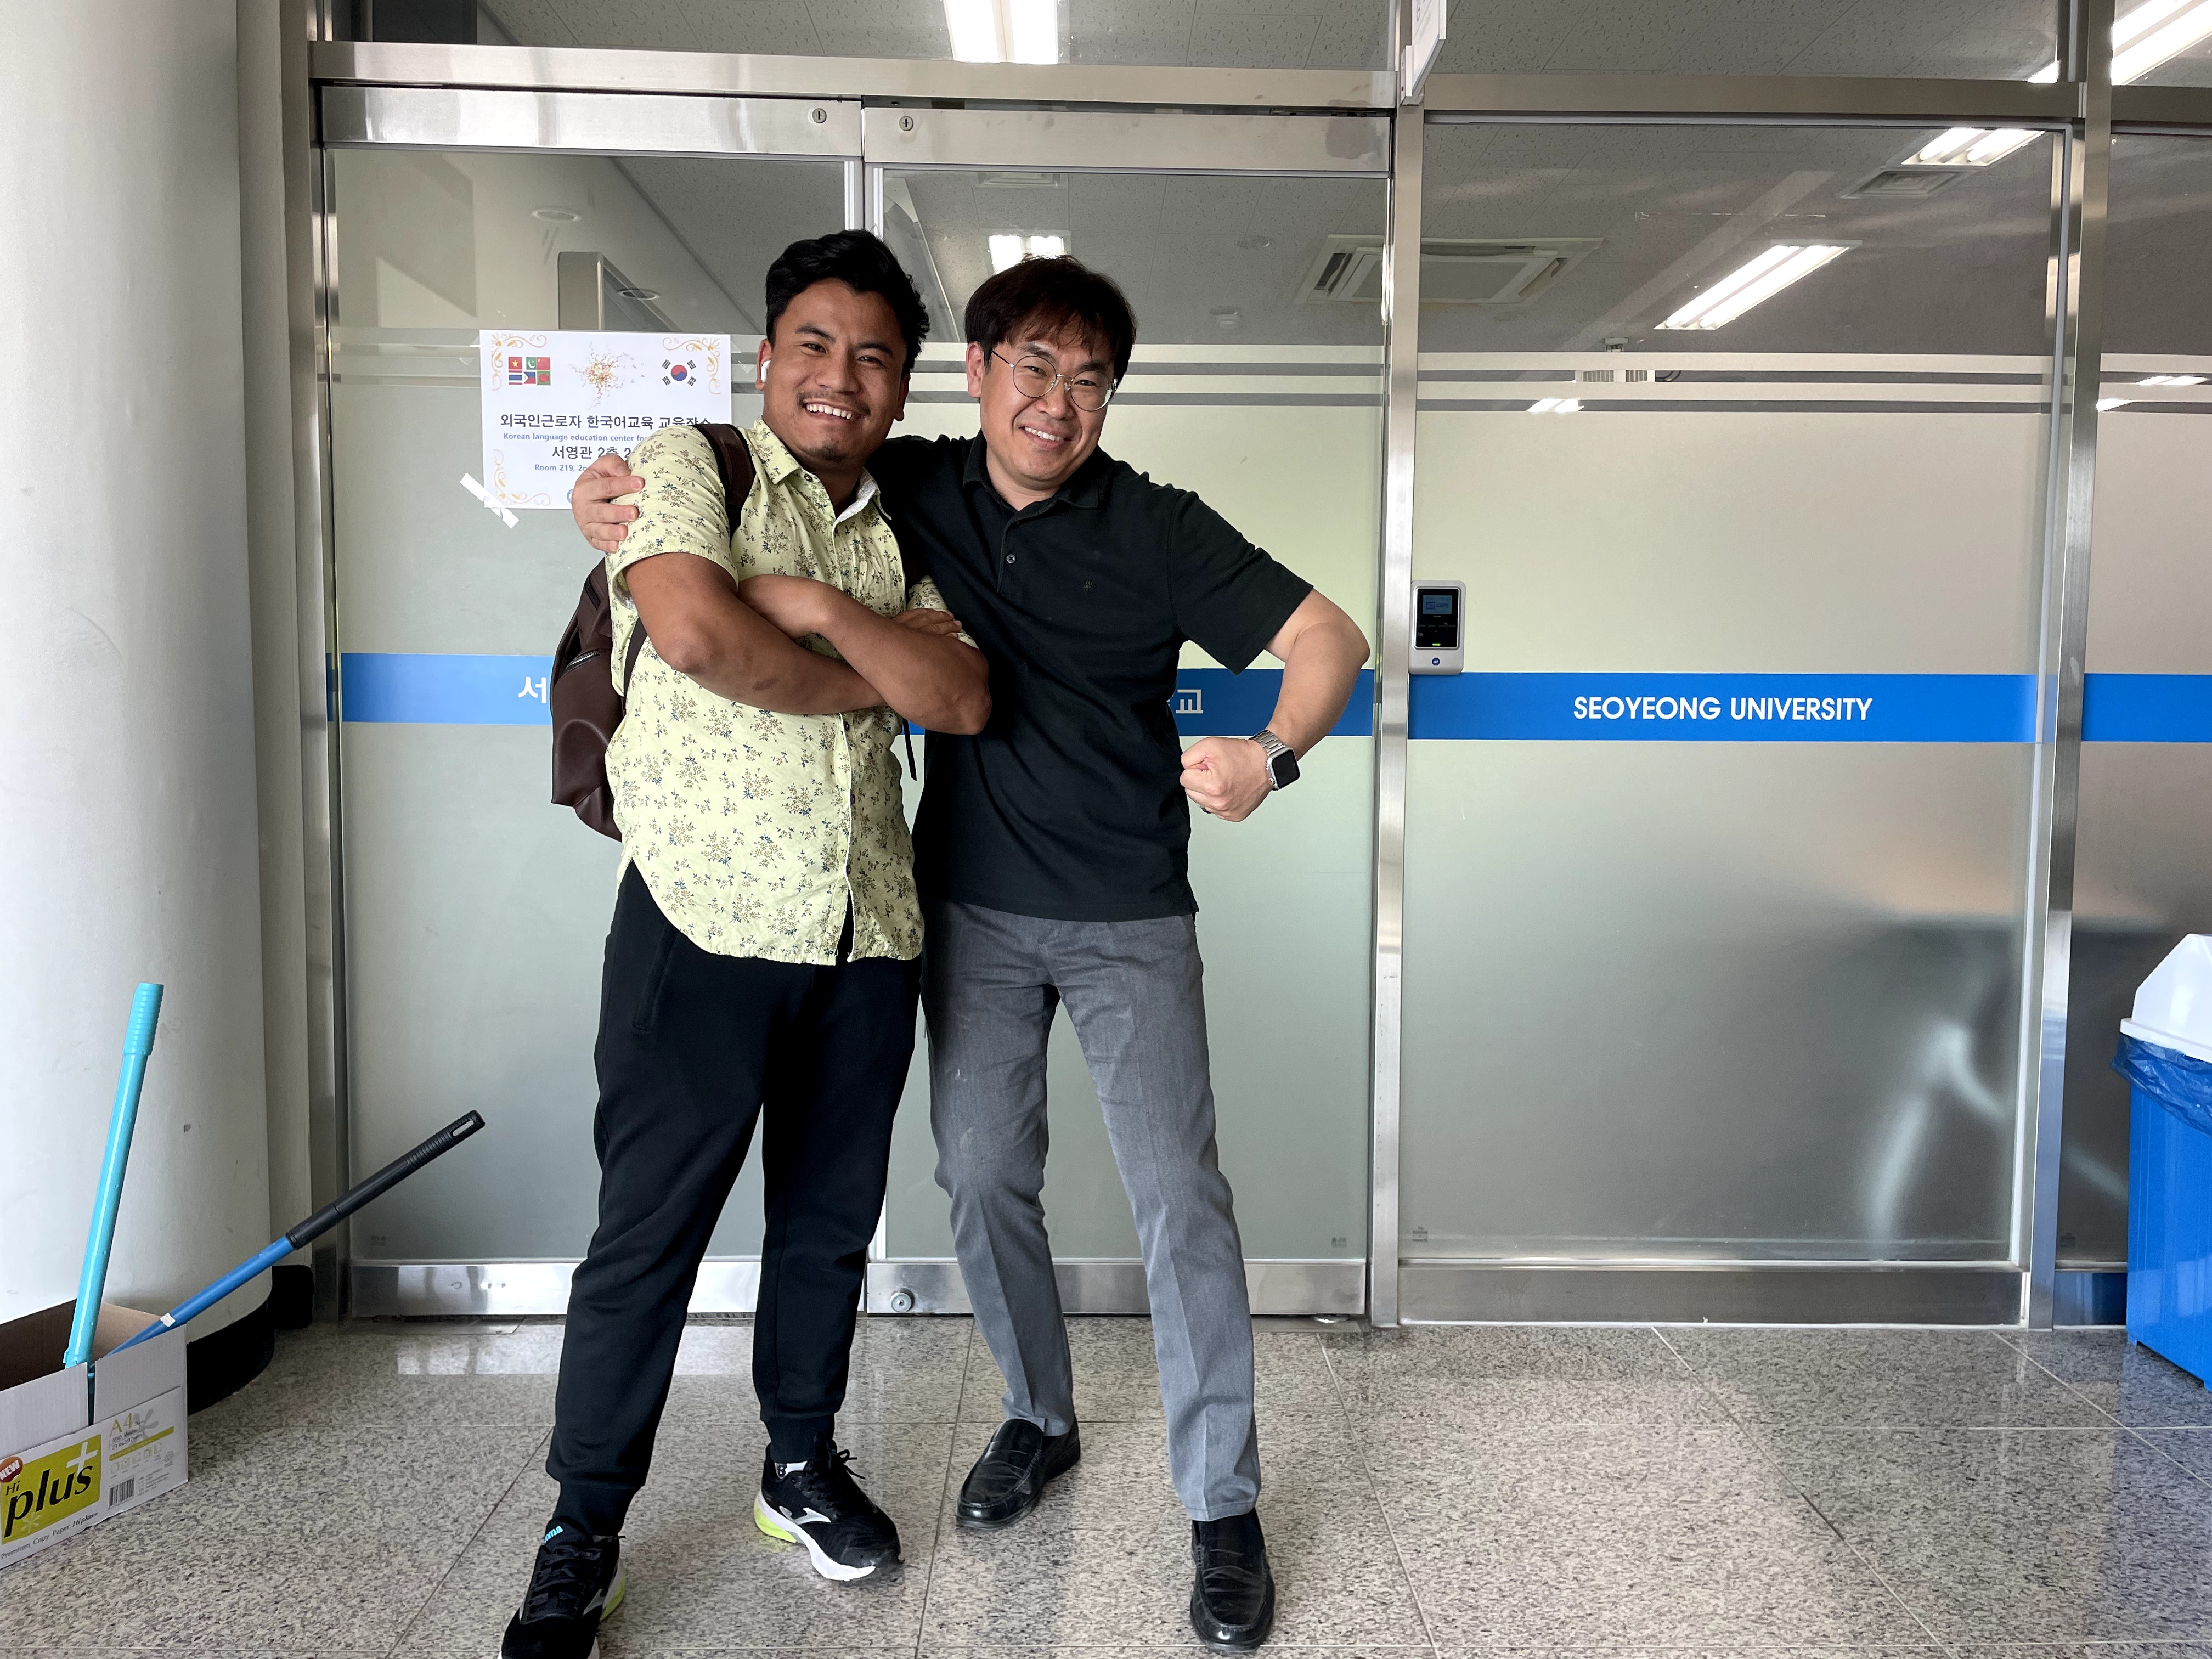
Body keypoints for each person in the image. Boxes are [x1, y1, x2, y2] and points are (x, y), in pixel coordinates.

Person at [571, 255, 1370, 1654]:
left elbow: (1329, 638)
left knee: (1180, 1198)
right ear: (982, 374)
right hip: (968, 913)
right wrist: (595, 501)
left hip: (1129, 914)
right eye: (1033, 369)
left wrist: (1272, 753)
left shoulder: (1161, 526)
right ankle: (1038, 1415)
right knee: (983, 1176)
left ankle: (1223, 1504)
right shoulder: (914, 481)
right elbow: (735, 516)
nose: (1058, 403)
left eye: (1090, 381)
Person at [504, 231, 989, 1659]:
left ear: (901, 384)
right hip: (698, 923)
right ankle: (583, 1523)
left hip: (866, 931)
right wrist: (870, 675)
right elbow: (699, 636)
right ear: (768, 357)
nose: (843, 376)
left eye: (876, 356)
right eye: (816, 346)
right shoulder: (687, 464)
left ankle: (798, 1463)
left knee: (828, 1229)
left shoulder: (907, 527)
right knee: (647, 1236)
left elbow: (960, 696)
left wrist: (829, 615)